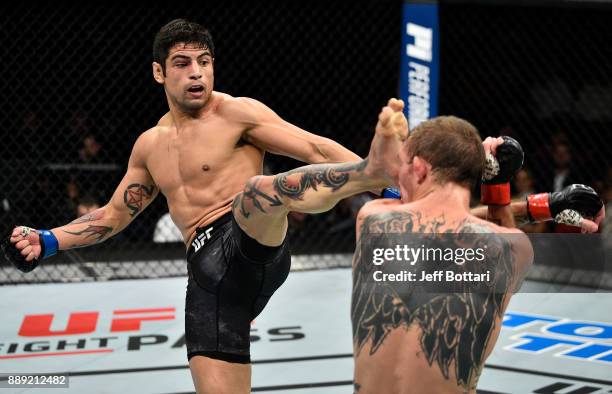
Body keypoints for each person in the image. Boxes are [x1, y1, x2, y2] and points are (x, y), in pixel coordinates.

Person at [1, 19, 404, 394]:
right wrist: (48, 241)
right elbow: (113, 215)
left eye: (204, 62)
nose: (197, 72)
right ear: (159, 72)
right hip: (209, 280)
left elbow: (315, 147)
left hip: (249, 239)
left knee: (261, 193)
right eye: (182, 63)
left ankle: (371, 173)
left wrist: (386, 188)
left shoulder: (236, 113)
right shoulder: (149, 145)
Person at [349, 117, 604, 393]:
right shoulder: (512, 249)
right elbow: (459, 223)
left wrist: (536, 204)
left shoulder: (373, 219)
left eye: (403, 166)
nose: (398, 176)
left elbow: (428, 220)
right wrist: (506, 188)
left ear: (420, 169)